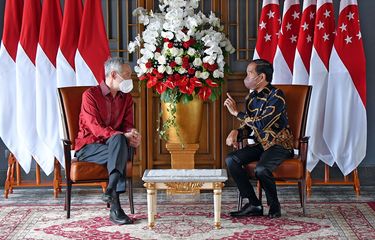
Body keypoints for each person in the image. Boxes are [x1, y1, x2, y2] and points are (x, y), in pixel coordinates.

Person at [74, 57, 141, 225]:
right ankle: (115, 206)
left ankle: (111, 192)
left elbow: (127, 125)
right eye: (127, 74)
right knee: (119, 143)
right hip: (89, 146)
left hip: (113, 146)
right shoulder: (90, 95)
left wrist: (132, 133)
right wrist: (121, 136)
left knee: (120, 142)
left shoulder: (125, 98)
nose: (130, 79)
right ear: (113, 75)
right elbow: (95, 128)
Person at [224, 59, 294, 218]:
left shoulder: (277, 96)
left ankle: (274, 205)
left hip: (279, 145)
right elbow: (250, 126)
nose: (246, 77)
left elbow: (262, 123)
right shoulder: (251, 98)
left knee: (261, 169)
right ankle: (254, 204)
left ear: (261, 77)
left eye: (249, 73)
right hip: (261, 145)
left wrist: (237, 114)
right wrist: (237, 132)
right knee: (231, 160)